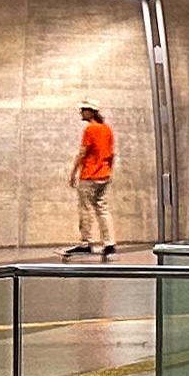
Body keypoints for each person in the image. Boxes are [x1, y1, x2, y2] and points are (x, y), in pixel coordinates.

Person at [66, 105, 117, 260]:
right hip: (104, 175)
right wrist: (109, 170)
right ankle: (109, 243)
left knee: (85, 209)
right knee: (102, 208)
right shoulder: (107, 129)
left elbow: (83, 153)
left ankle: (86, 243)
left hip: (90, 175)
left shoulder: (90, 129)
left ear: (90, 112)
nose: (80, 112)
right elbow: (112, 153)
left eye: (83, 110)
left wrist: (73, 172)